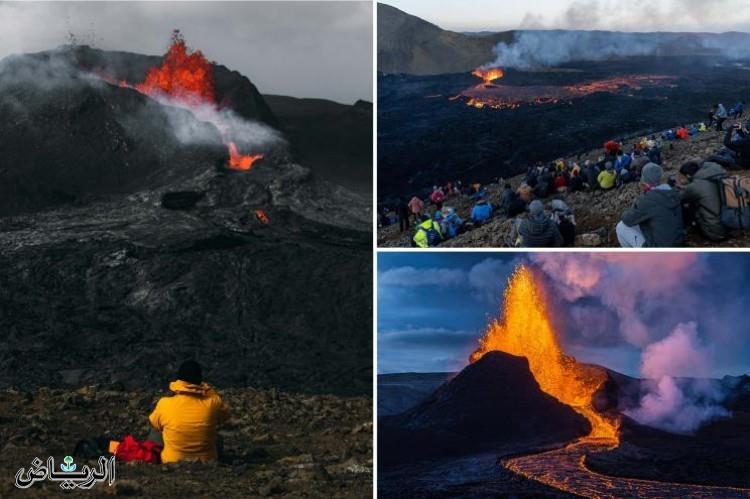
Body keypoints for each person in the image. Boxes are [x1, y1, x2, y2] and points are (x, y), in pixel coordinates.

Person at [148, 360, 231, 463]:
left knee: (155, 432)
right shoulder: (212, 403)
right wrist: (208, 390)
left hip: (172, 460)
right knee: (217, 437)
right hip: (206, 460)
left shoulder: (164, 403)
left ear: (179, 380)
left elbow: (154, 423)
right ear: (200, 381)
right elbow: (226, 415)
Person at [616, 163, 684, 247]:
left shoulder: (648, 200)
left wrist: (643, 196)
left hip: (659, 250)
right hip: (678, 242)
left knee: (621, 226)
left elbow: (627, 219)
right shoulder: (674, 192)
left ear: (645, 182)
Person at [679, 161, 728, 242]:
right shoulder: (713, 176)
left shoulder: (695, 186)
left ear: (688, 175)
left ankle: (687, 230)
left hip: (715, 232)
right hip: (729, 224)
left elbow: (680, 197)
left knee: (685, 205)